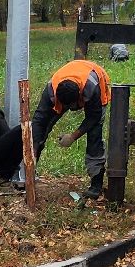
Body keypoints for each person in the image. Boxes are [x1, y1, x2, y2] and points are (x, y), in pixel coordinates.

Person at [29, 58, 112, 197]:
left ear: (79, 97)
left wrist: (73, 136)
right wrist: (33, 150)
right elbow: (39, 119)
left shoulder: (92, 88)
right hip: (71, 80)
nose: (69, 110)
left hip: (97, 78)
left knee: (94, 136)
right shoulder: (51, 89)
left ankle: (96, 184)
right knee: (43, 129)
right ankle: (29, 175)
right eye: (65, 106)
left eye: (71, 106)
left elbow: (94, 117)